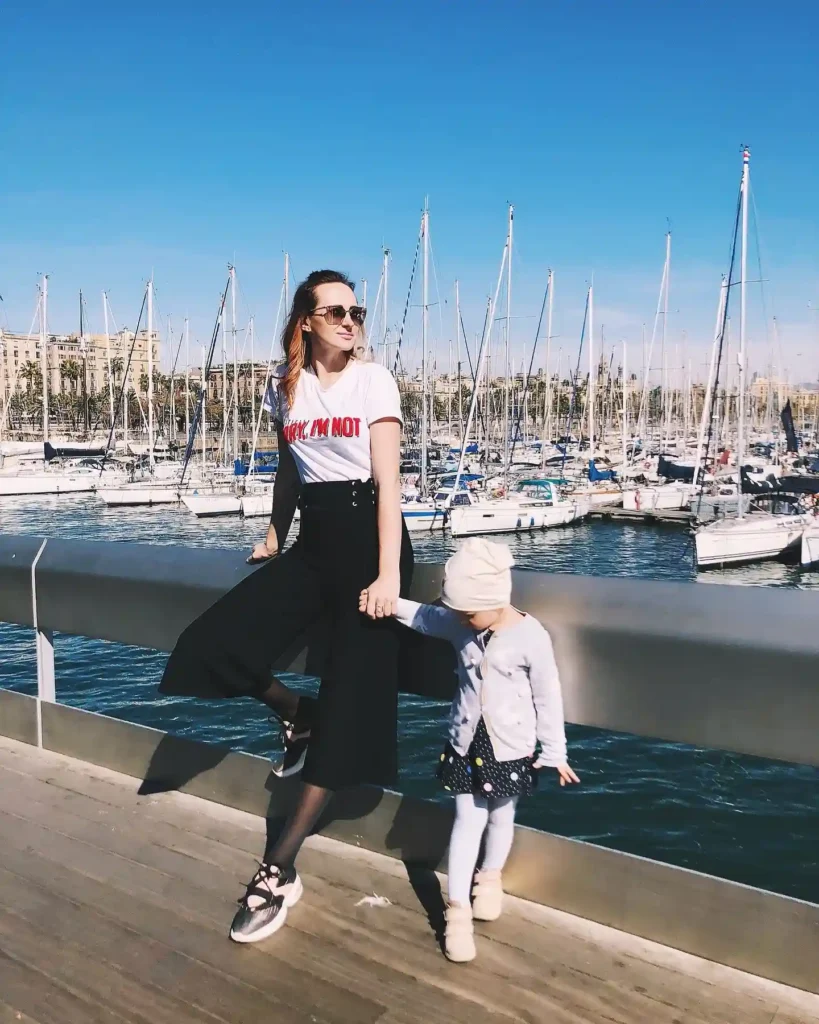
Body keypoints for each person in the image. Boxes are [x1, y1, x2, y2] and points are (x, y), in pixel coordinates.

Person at [160, 269, 413, 943]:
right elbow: (290, 469)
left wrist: (388, 574)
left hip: (369, 542)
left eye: (355, 310)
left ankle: (277, 870)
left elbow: (389, 486)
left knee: (349, 708)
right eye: (334, 311)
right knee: (211, 643)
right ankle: (297, 715)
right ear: (305, 319)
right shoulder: (285, 385)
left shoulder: (374, 380)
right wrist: (275, 533)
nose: (348, 320)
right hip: (314, 543)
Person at [362, 537, 578, 963]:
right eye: (458, 613)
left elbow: (547, 695)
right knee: (467, 820)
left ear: (497, 599)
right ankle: (457, 911)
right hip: (465, 740)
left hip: (511, 747)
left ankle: (490, 877)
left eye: (468, 613)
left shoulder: (531, 637)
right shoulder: (462, 622)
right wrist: (388, 602)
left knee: (502, 815)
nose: (460, 620)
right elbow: (425, 617)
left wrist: (555, 750)